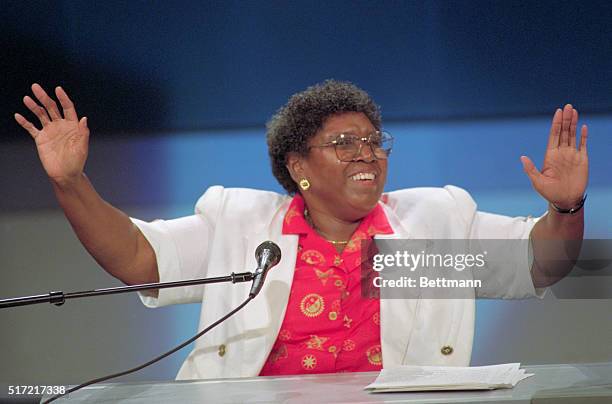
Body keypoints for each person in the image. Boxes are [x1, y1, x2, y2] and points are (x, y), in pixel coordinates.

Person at [14, 80, 588, 379]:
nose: (367, 153)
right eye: (343, 144)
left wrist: (565, 209)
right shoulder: (243, 226)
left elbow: (540, 264)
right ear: (297, 167)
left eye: (372, 141)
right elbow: (137, 257)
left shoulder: (426, 229)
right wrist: (71, 184)